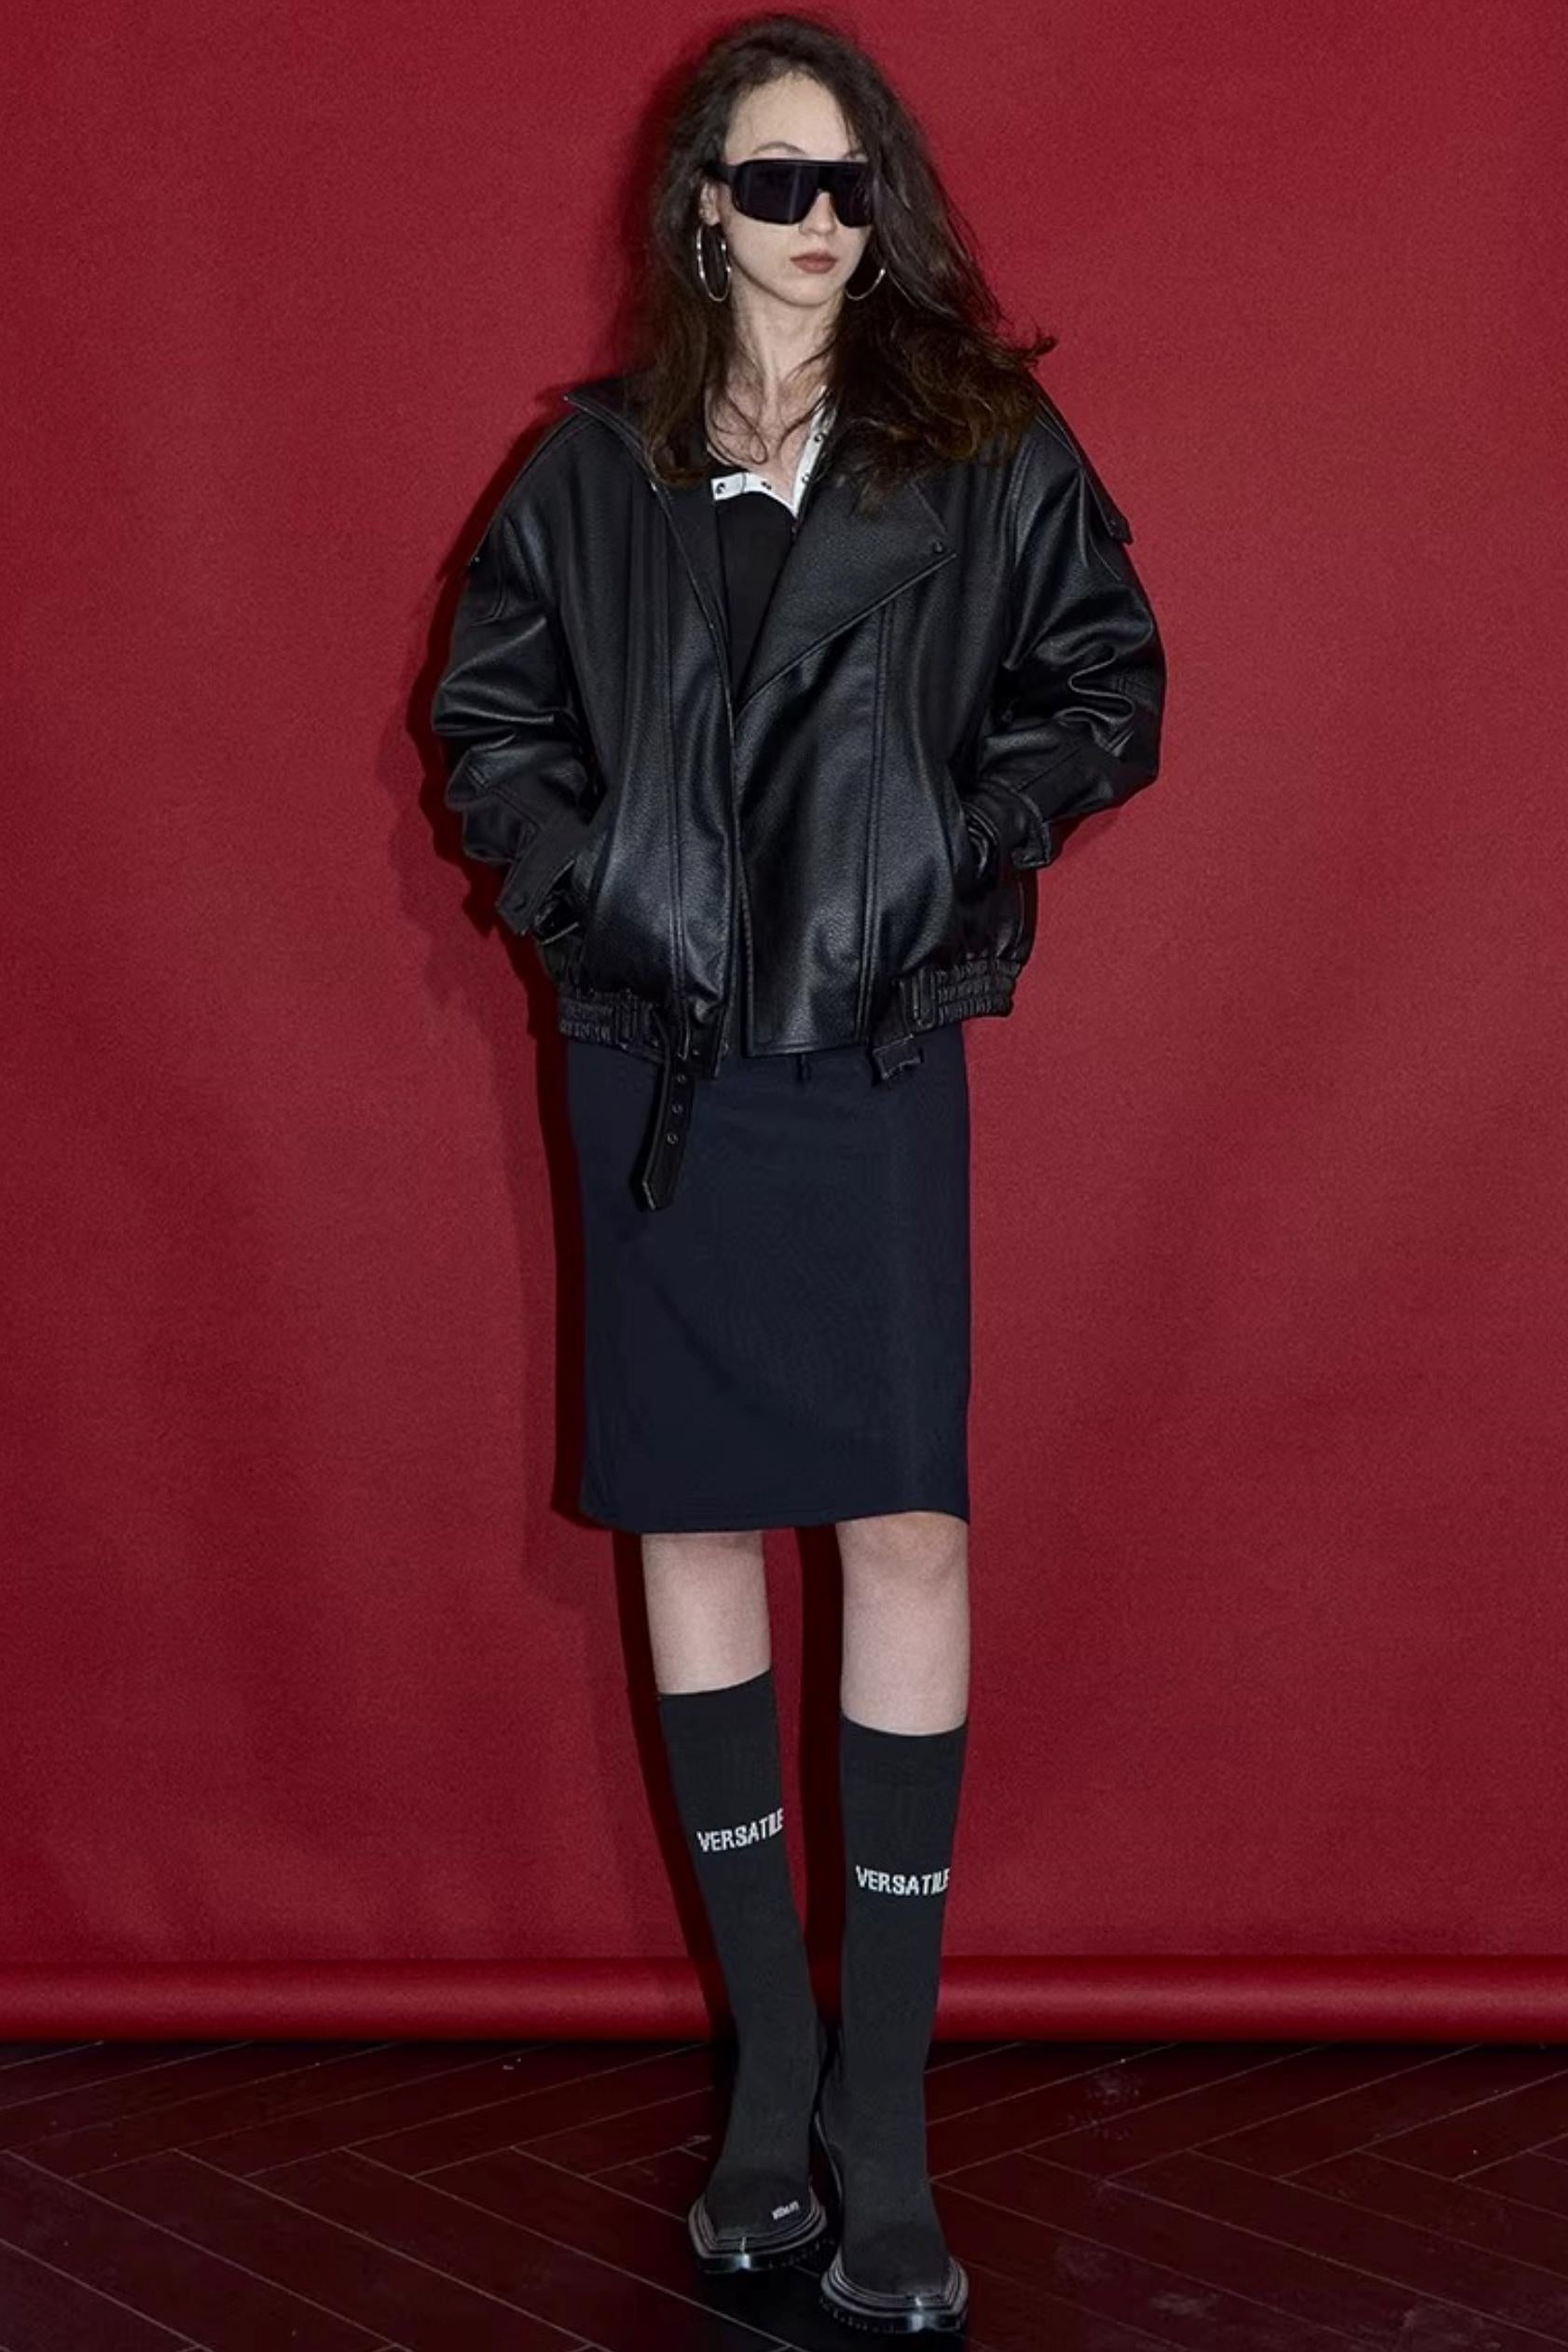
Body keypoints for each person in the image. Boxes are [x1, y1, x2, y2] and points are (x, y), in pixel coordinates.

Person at [431, 15, 1165, 2334]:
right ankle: (770, 2077)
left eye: (850, 182)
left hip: (861, 1048)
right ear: (699, 208)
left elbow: (1109, 682)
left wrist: (962, 836)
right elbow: (487, 722)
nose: (818, 221)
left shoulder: (980, 447)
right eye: (773, 181)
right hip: (654, 1054)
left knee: (905, 1521)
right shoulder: (589, 471)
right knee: (692, 1523)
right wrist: (591, 888)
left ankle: (884, 2113)